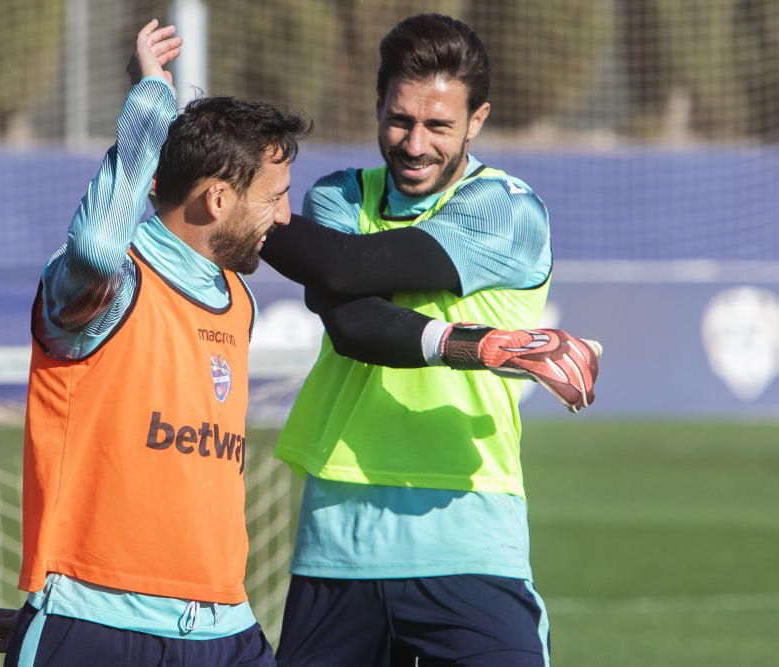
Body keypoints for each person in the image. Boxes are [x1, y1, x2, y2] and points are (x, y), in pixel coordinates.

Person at [256, 13, 599, 666]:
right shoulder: (340, 197)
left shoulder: (508, 209)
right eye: (399, 119)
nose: (414, 144)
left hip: (470, 538)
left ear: (478, 120)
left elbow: (351, 269)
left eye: (438, 125)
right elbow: (351, 319)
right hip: (339, 540)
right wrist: (481, 344)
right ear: (377, 104)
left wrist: (243, 216)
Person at [0, 19, 309, 666]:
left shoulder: (237, 300)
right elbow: (95, 246)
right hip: (97, 622)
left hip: (224, 628)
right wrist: (149, 96)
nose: (287, 216)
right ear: (215, 199)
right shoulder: (112, 285)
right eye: (275, 197)